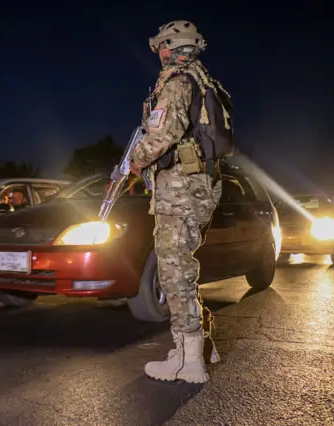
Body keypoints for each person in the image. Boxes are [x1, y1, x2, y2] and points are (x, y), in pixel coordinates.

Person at [130, 20, 232, 383]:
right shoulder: (202, 80)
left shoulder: (177, 82)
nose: (158, 52)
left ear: (172, 45)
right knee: (183, 269)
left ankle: (189, 362)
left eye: (161, 45)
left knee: (172, 272)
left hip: (180, 190)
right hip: (199, 188)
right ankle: (200, 348)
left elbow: (163, 135)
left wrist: (134, 160)